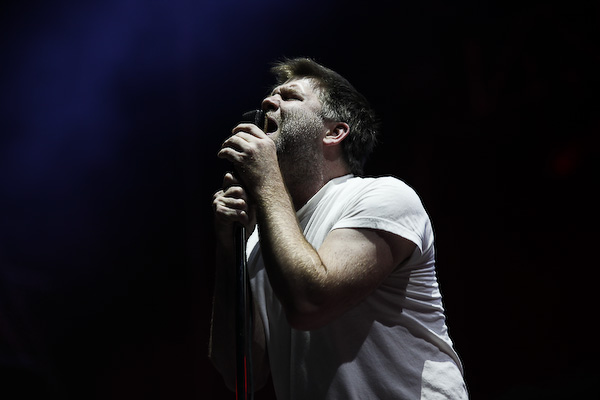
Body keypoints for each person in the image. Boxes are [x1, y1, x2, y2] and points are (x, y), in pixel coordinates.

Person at [209, 57, 468, 399]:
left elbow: (311, 303)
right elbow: (241, 371)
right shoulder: (259, 241)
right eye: (271, 95)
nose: (269, 101)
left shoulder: (383, 197)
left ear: (334, 132)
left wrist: (267, 181)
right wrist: (229, 248)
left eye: (290, 96)